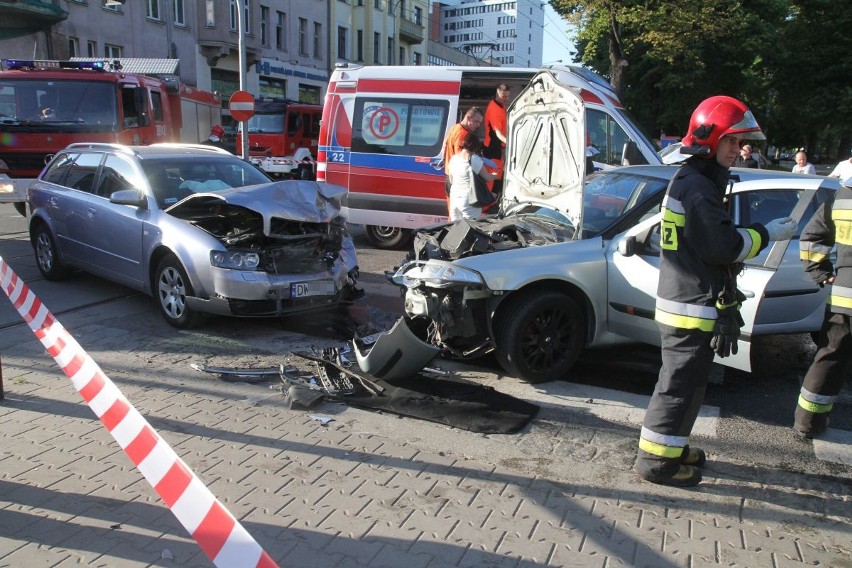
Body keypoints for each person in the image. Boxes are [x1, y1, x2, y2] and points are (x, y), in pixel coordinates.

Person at [636, 96, 798, 487]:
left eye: (739, 142)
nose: (737, 150)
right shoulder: (698, 186)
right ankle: (656, 464)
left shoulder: (697, 180)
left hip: (689, 300)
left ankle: (672, 447)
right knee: (677, 387)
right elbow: (722, 247)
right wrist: (765, 234)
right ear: (709, 138)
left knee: (689, 385)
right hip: (689, 305)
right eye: (730, 141)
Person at [793, 175, 852, 438]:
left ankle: (808, 423)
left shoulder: (841, 197)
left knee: (830, 358)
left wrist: (821, 271)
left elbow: (810, 236)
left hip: (844, 294)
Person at [447, 132, 496, 221]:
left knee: (455, 230)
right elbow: (487, 178)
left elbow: (451, 180)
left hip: (454, 199)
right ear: (476, 146)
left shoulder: (453, 159)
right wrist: (496, 175)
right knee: (471, 229)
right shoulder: (474, 159)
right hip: (469, 201)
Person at [442, 106, 484, 200]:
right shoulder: (463, 135)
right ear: (468, 118)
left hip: (450, 175)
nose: (478, 125)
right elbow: (462, 159)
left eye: (480, 123)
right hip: (458, 180)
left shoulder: (454, 128)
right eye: (476, 122)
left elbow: (445, 145)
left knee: (454, 210)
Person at [483, 84, 511, 196]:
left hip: (497, 147)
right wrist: (511, 143)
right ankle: (489, 203)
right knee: (493, 178)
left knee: (498, 176)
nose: (506, 99)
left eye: (508, 96)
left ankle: (493, 200)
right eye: (503, 96)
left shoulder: (500, 105)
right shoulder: (495, 109)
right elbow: (498, 133)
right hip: (493, 147)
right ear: (497, 93)